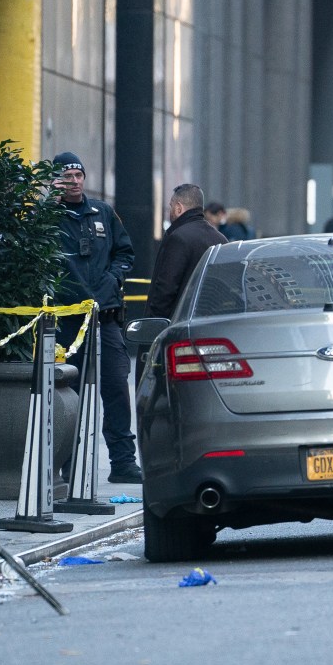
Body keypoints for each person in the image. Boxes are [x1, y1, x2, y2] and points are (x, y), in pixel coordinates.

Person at [50, 152, 142, 482]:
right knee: (67, 391)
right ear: (54, 181)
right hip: (67, 322)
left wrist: (113, 278)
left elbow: (125, 252)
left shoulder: (102, 212)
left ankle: (123, 463)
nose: (74, 181)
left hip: (105, 317)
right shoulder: (45, 217)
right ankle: (69, 465)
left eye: (78, 175)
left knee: (117, 386)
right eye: (66, 176)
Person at [147, 183, 228, 320]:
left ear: (179, 208)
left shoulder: (178, 238)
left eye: (171, 206)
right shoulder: (221, 239)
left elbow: (166, 289)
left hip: (178, 324)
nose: (170, 210)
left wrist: (153, 323)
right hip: (212, 321)